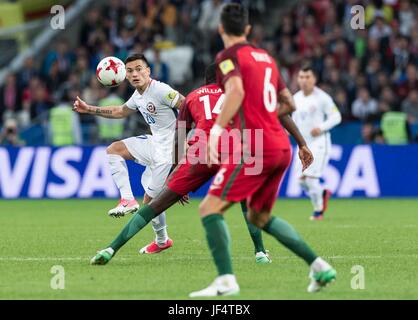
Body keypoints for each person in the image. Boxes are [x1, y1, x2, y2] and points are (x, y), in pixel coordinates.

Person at [189, 3, 336, 297]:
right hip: (281, 146)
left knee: (209, 208)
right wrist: (294, 138)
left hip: (256, 147)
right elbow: (289, 103)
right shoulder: (266, 58)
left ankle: (226, 280)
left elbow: (236, 92)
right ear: (247, 29)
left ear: (220, 29)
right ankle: (318, 266)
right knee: (259, 217)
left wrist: (217, 130)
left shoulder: (227, 57)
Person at [90, 63, 272, 266]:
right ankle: (260, 252)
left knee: (154, 205)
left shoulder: (193, 96)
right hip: (233, 151)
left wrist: (175, 174)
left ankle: (110, 248)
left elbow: (179, 137)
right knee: (247, 201)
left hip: (199, 153)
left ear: (206, 79)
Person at [73, 53, 184, 254]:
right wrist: (89, 109)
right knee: (114, 150)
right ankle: (127, 199)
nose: (135, 74)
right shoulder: (139, 95)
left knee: (150, 204)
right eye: (130, 70)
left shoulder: (160, 90)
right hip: (154, 143)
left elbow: (187, 106)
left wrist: (181, 155)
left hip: (168, 152)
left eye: (139, 69)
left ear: (148, 71)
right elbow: (120, 111)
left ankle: (162, 241)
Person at [292, 65, 342, 220]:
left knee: (310, 179)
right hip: (303, 145)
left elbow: (336, 117)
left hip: (319, 143)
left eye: (307, 77)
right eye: (301, 77)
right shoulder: (295, 98)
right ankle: (322, 193)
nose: (304, 80)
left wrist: (321, 127)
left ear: (314, 79)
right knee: (300, 182)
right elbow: (294, 121)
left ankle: (318, 211)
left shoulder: (322, 97)